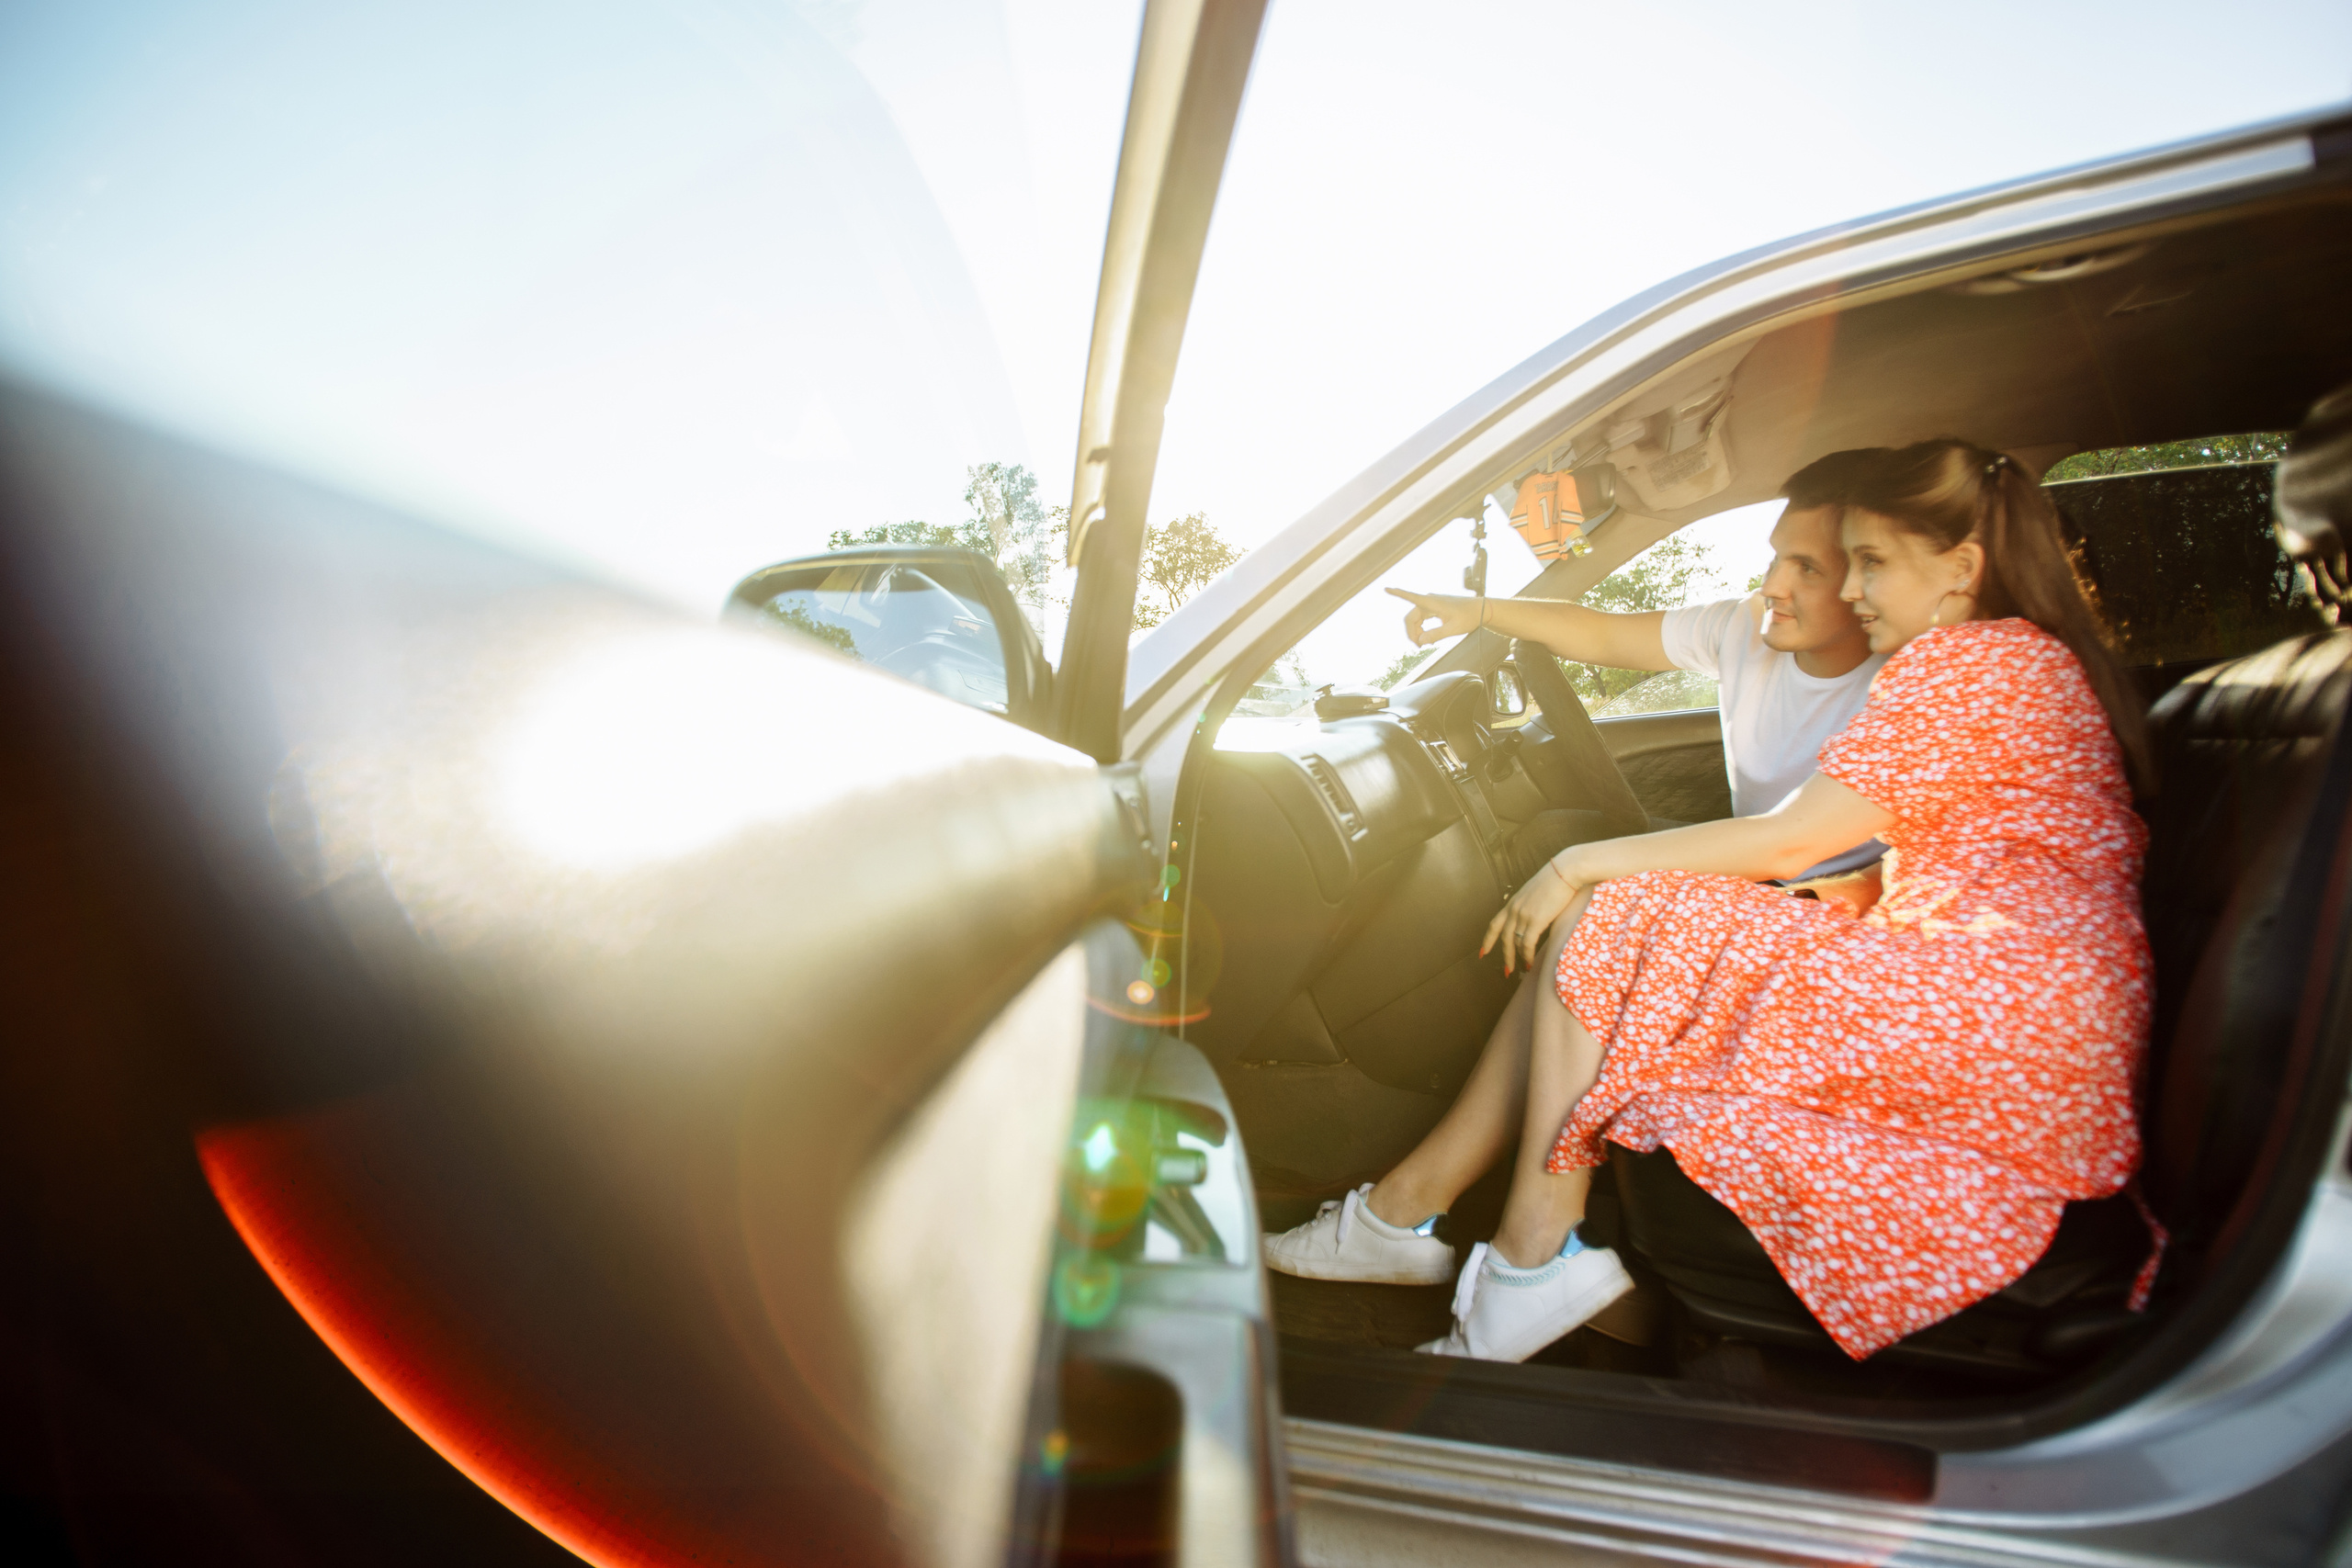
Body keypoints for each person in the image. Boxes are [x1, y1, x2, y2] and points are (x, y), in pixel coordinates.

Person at [1268, 437, 2154, 1365]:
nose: (1850, 589)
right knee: (1609, 923)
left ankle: (1506, 1252)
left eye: (1868, 564)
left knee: (1606, 909)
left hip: (1996, 1022)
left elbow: (1795, 839)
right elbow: (1981, 852)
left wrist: (1575, 863)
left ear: (1961, 569)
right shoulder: (2009, 657)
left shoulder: (1962, 664)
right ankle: (1443, 1232)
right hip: (2020, 1013)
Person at [1387, 448, 1892, 888]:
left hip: (1828, 901)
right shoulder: (1743, 625)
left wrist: (1582, 869)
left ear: (1866, 582)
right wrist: (1480, 610)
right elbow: (1599, 632)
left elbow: (1801, 848)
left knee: (1579, 880)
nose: (1772, 585)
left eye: (1807, 569)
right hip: (1756, 868)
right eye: (1776, 558)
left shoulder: (1909, 687)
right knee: (1549, 837)